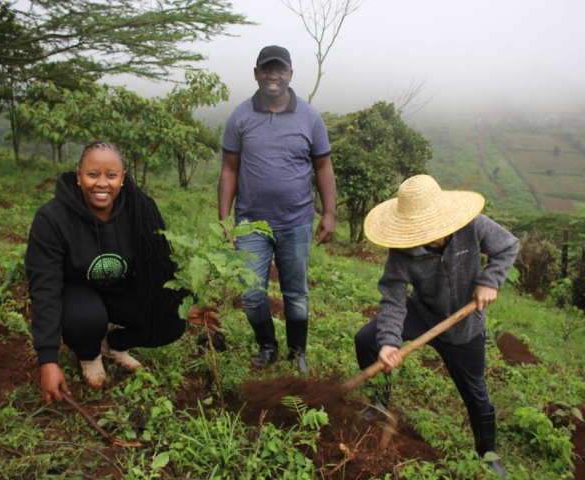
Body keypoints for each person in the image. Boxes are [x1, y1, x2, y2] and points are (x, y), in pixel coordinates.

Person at [26, 141, 221, 403]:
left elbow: (161, 263)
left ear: (123, 178)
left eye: (111, 175)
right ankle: (89, 353)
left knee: (172, 321)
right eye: (92, 174)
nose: (101, 184)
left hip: (121, 288)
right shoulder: (52, 219)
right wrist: (47, 360)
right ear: (79, 175)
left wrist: (184, 301)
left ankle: (112, 345)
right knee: (86, 318)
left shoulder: (141, 210)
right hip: (77, 291)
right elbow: (45, 287)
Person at [354, 174, 518, 478]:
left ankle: (488, 454)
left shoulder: (473, 225)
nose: (427, 236)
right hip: (424, 313)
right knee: (367, 339)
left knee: (476, 395)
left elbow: (508, 246)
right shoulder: (402, 251)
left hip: (465, 326)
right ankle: (377, 405)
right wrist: (390, 341)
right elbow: (393, 298)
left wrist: (490, 280)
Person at [218, 45, 336, 375]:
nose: (273, 74)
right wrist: (224, 218)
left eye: (280, 69)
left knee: (295, 293)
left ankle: (297, 352)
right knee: (252, 294)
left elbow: (323, 166)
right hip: (250, 224)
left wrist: (329, 214)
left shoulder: (310, 117)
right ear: (256, 73)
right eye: (267, 69)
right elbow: (229, 169)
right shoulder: (240, 116)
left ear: (290, 74)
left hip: (296, 221)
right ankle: (267, 346)